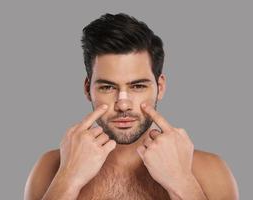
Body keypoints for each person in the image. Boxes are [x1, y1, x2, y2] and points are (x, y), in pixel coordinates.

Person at [24, 13, 239, 200]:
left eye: (137, 86)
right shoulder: (51, 168)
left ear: (160, 87)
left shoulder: (211, 171)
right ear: (87, 88)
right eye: (108, 87)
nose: (123, 103)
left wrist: (182, 182)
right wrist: (68, 179)